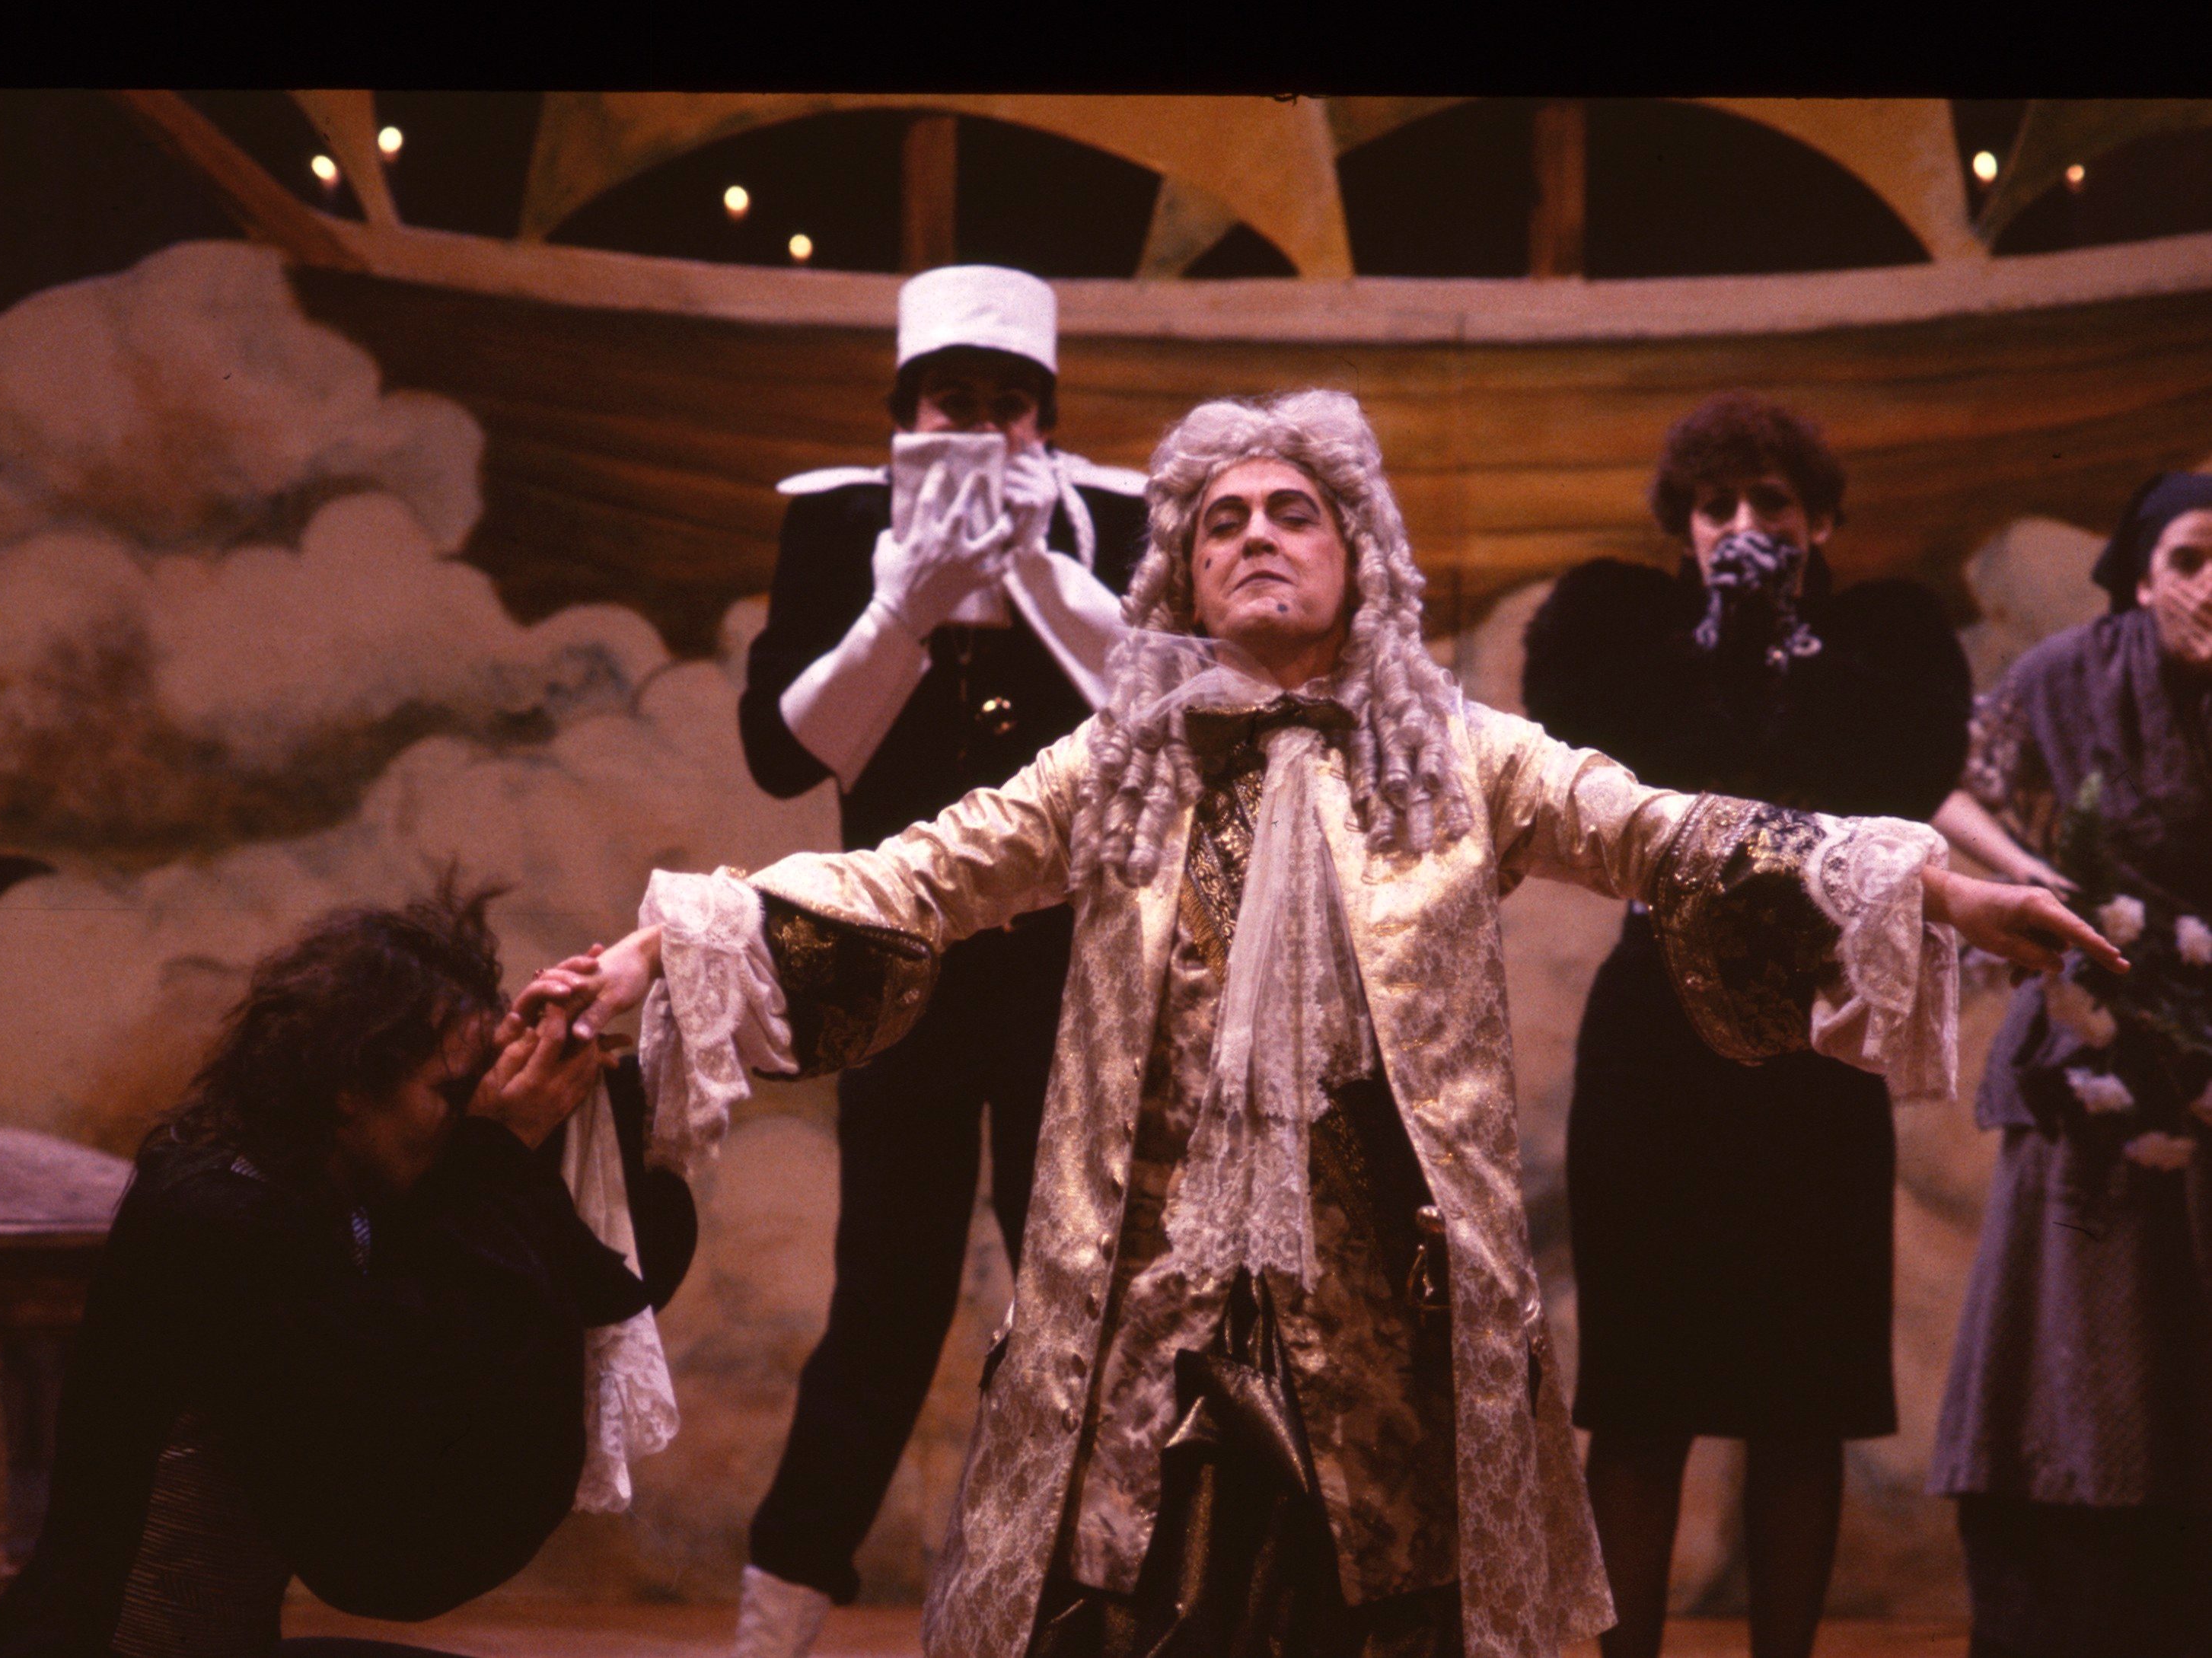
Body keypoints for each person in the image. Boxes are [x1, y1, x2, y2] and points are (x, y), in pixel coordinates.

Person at [524, 391, 2114, 1658]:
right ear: (1180, 572)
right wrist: (667, 948)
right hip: (1148, 1320)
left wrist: (1934, 888)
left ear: (1360, 552)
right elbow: (912, 877)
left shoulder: (1459, 753)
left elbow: (1670, 834)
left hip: (1387, 1327)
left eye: (1293, 511)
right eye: (1221, 521)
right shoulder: (1120, 760)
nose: (1257, 537)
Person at [1516, 391, 1974, 1658]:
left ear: (1820, 520)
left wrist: (1787, 649)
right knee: (1641, 1392)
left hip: (1814, 1034)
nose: (1741, 524)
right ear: (1682, 526)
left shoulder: (1882, 645)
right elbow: (1612, 779)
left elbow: (1893, 788)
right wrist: (1722, 643)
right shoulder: (1624, 636)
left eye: (1770, 501)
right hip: (1654, 1037)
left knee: (1800, 1398)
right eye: (1714, 505)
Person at [731, 263, 1146, 1656]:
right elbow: (783, 754)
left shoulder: (1108, 520)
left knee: (1075, 1306)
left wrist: (1030, 567)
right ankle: (773, 1623)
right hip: (893, 975)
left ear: (1046, 419)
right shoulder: (842, 522)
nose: (978, 426)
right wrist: (901, 603)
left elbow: (1163, 715)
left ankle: (1074, 1617)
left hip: (1068, 984)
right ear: (903, 412)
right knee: (885, 1306)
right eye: (949, 400)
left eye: (1007, 404)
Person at [0, 882, 696, 1658]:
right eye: (451, 1092)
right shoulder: (216, 1211)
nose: (470, 1115)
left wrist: (561, 1057)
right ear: (349, 1083)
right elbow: (384, 1500)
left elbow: (610, 1284)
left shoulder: (331, 1187)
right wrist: (498, 1148)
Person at [1925, 472, 2212, 1658]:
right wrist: (2033, 877)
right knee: (2079, 1346)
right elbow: (1950, 788)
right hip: (2095, 1045)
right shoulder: (2063, 677)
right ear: (2141, 576)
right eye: (2191, 558)